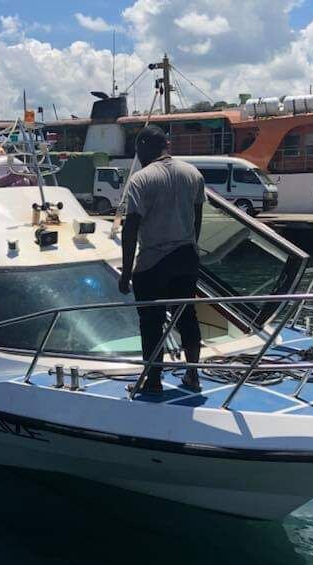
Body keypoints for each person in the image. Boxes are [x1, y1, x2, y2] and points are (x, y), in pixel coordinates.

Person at [118, 125, 205, 394]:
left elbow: (131, 226)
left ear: (144, 146)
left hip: (154, 261)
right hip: (186, 256)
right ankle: (193, 376)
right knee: (187, 316)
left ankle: (153, 381)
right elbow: (197, 217)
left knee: (151, 322)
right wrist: (192, 248)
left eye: (138, 150)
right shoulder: (193, 173)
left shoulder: (141, 179)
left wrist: (126, 272)